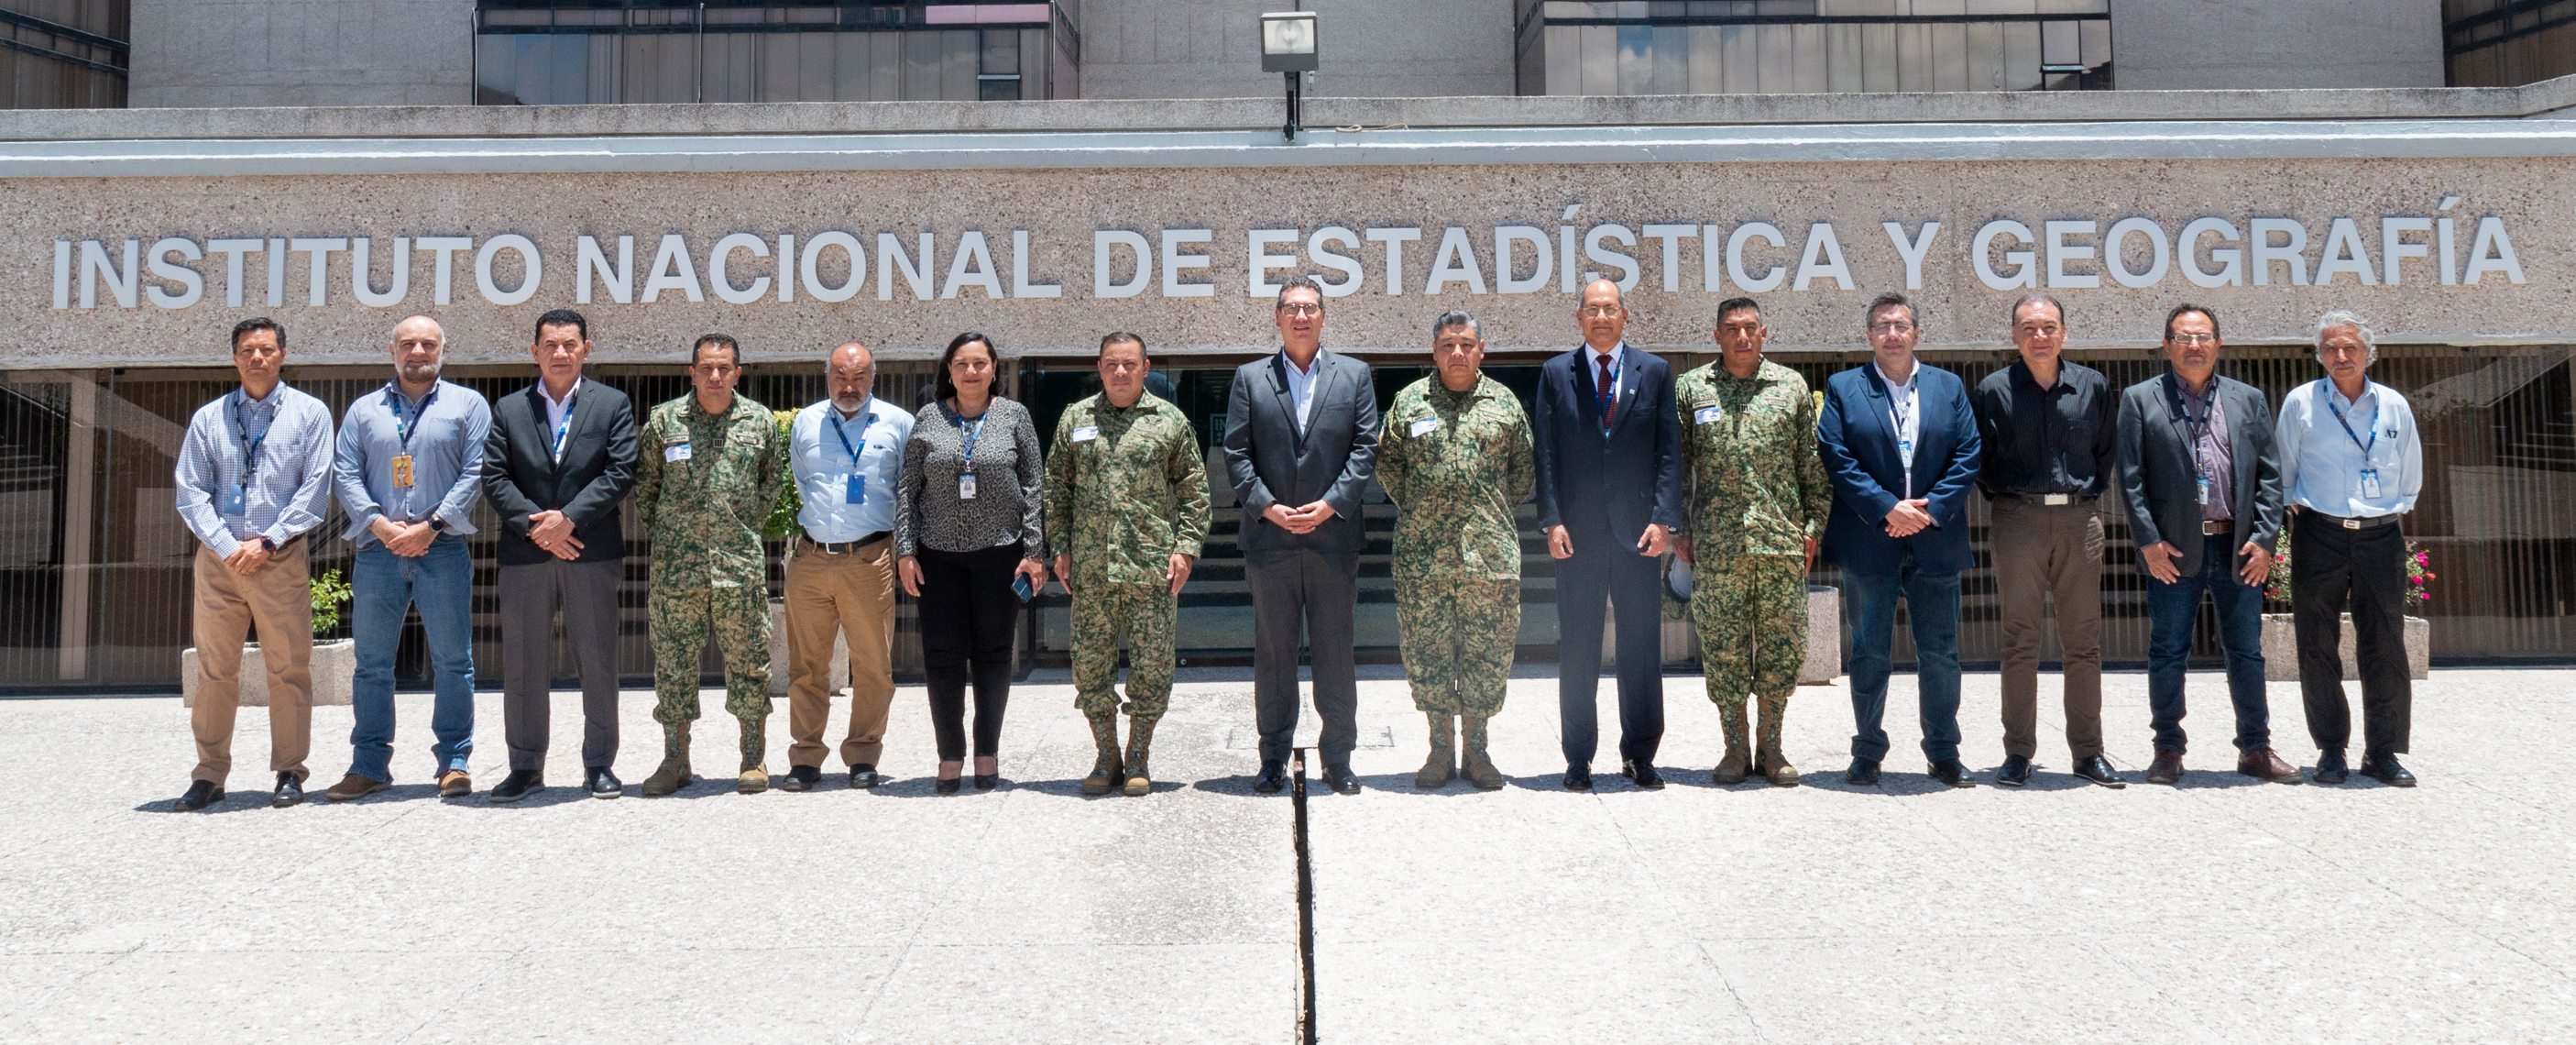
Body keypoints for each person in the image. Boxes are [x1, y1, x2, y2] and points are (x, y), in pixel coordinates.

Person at [2115, 303, 2296, 786]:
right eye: (2183, 337)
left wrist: (2264, 540)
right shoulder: (2139, 399)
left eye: (2203, 337)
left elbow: (2270, 477)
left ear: (2218, 343)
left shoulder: (2248, 399)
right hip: (2173, 551)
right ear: (2166, 345)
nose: (2194, 345)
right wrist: (2149, 543)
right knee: (2168, 650)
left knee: (2247, 651)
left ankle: (2255, 748)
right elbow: (2130, 480)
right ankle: (2168, 750)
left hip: (2238, 548)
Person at [1817, 292, 1982, 788]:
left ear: (1917, 333)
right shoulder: (1844, 388)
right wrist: (1888, 508)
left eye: (1901, 325)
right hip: (1872, 538)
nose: (1893, 333)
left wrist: (1926, 512)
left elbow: (1968, 452)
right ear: (1868, 335)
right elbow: (1836, 454)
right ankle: (1868, 750)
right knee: (1869, 651)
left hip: (1935, 538)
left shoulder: (1948, 386)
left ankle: (1943, 751)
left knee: (1941, 651)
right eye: (1883, 325)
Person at [323, 315, 491, 802]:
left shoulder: (468, 405)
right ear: (391, 350)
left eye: (428, 343)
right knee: (371, 664)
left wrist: (431, 526)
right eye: (408, 343)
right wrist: (378, 524)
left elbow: (476, 471)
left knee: (453, 662)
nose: (418, 351)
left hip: (443, 550)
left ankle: (454, 762)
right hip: (378, 553)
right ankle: (369, 764)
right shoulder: (362, 411)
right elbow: (345, 473)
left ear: (444, 349)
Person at [170, 317, 335, 811]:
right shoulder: (208, 419)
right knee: (214, 671)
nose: (257, 358)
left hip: (279, 557)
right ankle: (209, 774)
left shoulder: (310, 414)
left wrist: (265, 542)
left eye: (266, 349)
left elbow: (315, 490)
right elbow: (191, 491)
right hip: (219, 561)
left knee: (288, 670)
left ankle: (289, 771)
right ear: (235, 357)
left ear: (283, 354)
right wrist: (226, 545)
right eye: (247, 350)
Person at [1224, 276, 1380, 797]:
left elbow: (1364, 451)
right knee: (1274, 654)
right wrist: (1267, 508)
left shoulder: (1355, 376)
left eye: (1310, 308)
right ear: (1277, 318)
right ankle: (1273, 757)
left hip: (1332, 540)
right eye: (1291, 308)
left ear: (1323, 315)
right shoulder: (1249, 378)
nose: (1301, 316)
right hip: (1270, 543)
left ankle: (1338, 758)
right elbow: (1236, 453)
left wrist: (1329, 506)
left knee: (1335, 652)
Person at [1672, 297, 1831, 788]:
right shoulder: (1692, 389)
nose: (1741, 337)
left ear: (1765, 333)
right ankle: (1735, 748)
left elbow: (1812, 465)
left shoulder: (1791, 387)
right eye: (1731, 329)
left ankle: (1773, 745)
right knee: (1723, 650)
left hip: (1780, 542)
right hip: (1717, 548)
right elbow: (1675, 467)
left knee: (1783, 650)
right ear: (1716, 335)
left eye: (1749, 328)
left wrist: (1812, 528)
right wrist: (1677, 527)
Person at [1534, 278, 1684, 791]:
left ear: (1626, 316)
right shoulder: (1556, 374)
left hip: (1640, 534)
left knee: (1641, 646)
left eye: (1610, 309)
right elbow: (1546, 455)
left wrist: (1664, 519)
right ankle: (1578, 758)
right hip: (1576, 536)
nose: (1601, 317)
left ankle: (1640, 754)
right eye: (1592, 310)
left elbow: (1669, 453)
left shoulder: (1656, 372)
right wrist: (1551, 520)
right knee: (1578, 646)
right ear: (1579, 317)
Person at [482, 308, 638, 801]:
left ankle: (599, 764)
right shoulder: (508, 409)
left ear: (586, 350)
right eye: (550, 344)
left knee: (597, 658)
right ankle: (525, 765)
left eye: (570, 344)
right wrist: (539, 527)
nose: (560, 352)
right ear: (534, 351)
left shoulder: (612, 404)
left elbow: (620, 471)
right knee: (523, 662)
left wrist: (567, 519)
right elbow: (494, 477)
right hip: (526, 555)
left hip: (589, 551)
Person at [1969, 294, 2124, 789]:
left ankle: (2088, 753)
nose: (2039, 335)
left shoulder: (2093, 386)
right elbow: (1980, 459)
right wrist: (2011, 500)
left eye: (2049, 326)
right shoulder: (1993, 390)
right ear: (2013, 336)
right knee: (2020, 641)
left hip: (2080, 522)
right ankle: (2018, 753)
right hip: (2018, 521)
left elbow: (2106, 452)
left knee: (2084, 642)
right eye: (2028, 327)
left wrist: (2083, 498)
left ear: (2064, 333)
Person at [1045, 333, 1209, 797]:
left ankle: (1138, 755)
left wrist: (1186, 548)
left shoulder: (1169, 421)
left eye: (1129, 364)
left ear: (1146, 367)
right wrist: (1061, 546)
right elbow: (1057, 488)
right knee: (1090, 667)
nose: (1120, 372)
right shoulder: (1076, 419)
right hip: (1092, 574)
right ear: (1099, 367)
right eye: (1112, 363)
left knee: (1152, 669)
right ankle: (1105, 755)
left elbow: (1195, 490)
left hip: (1151, 571)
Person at [1380, 311, 1533, 791]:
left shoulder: (1504, 404)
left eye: (1466, 344)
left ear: (1482, 349)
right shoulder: (1409, 403)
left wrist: (1482, 513)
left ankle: (1478, 750)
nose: (1457, 353)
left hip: (1490, 558)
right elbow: (1390, 470)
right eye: (1448, 345)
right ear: (1434, 351)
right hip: (1424, 560)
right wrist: (1430, 512)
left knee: (1487, 656)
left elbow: (1522, 475)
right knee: (1428, 655)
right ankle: (1439, 749)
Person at [2275, 310, 2422, 786]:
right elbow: (2284, 469)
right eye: (2331, 349)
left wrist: (2392, 509)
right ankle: (2331, 750)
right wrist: (2301, 511)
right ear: (2319, 355)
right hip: (2320, 532)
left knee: (2386, 644)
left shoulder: (2394, 405)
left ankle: (2382, 753)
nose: (2341, 357)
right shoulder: (2300, 403)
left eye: (2351, 348)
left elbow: (2411, 471)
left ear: (2368, 353)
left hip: (2380, 536)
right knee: (2316, 646)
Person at [635, 334, 786, 796]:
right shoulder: (665, 422)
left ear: (738, 372)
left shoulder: (758, 421)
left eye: (724, 368)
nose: (715, 376)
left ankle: (753, 757)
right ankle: (675, 760)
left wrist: (737, 530)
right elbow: (646, 491)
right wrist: (678, 537)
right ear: (692, 372)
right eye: (706, 368)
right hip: (676, 573)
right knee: (674, 666)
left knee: (749, 664)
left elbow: (771, 486)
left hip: (737, 569)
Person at [896, 333, 1047, 794]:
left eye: (980, 363)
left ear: (994, 368)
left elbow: (1035, 487)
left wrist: (1034, 553)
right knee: (942, 658)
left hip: (1001, 556)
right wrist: (905, 550)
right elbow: (908, 489)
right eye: (962, 363)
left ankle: (986, 753)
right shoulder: (929, 417)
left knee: (994, 656)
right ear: (949, 370)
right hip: (937, 558)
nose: (971, 372)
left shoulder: (1014, 417)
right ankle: (949, 755)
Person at [780, 342, 915, 792]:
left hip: (869, 558)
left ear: (873, 376)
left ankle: (862, 755)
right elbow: (803, 481)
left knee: (873, 664)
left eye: (858, 377)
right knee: (807, 664)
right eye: (840, 376)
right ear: (827, 376)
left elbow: (909, 492)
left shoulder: (899, 423)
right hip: (811, 558)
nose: (849, 385)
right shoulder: (806, 422)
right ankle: (805, 756)